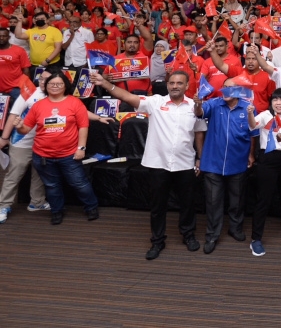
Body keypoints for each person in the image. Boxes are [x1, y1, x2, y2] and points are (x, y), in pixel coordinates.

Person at [93, 70, 205, 259]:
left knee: (187, 203)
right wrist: (104, 83)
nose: (175, 86)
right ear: (167, 85)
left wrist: (200, 159)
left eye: (179, 83)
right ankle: (157, 241)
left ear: (187, 86)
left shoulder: (196, 107)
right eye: (171, 83)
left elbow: (200, 133)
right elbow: (127, 96)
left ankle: (188, 235)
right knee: (157, 205)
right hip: (158, 163)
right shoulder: (155, 102)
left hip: (185, 163)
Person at [13, 71, 99, 224]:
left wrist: (81, 148)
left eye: (59, 84)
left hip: (69, 155)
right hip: (43, 156)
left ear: (65, 86)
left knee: (79, 184)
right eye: (52, 84)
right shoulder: (38, 105)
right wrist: (19, 127)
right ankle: (56, 211)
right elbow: (25, 129)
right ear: (46, 86)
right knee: (52, 186)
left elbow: (83, 126)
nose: (55, 86)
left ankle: (91, 207)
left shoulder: (75, 103)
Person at [194, 78, 258, 254]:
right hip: (213, 162)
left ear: (238, 91)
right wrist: (197, 104)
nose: (227, 91)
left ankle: (235, 229)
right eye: (225, 87)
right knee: (213, 202)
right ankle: (212, 236)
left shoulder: (248, 107)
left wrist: (251, 154)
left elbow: (253, 133)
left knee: (237, 200)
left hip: (238, 161)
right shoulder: (214, 104)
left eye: (231, 88)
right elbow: (199, 113)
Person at [248, 88, 281, 255]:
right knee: (264, 199)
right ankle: (255, 239)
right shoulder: (265, 115)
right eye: (275, 100)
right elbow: (252, 125)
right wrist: (250, 112)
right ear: (271, 102)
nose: (279, 103)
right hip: (268, 159)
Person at [0, 76, 50, 223]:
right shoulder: (29, 94)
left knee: (39, 173)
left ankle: (37, 202)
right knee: (14, 174)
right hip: (22, 142)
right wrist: (4, 138)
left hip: (43, 143)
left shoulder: (57, 96)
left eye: (47, 79)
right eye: (41, 78)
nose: (42, 81)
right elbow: (13, 116)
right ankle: (3, 205)